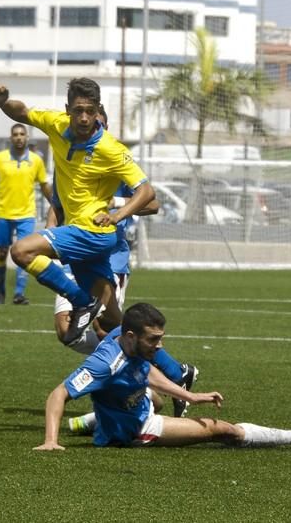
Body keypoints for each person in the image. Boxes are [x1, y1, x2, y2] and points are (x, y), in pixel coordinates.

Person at [51, 107, 197, 420]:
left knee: (110, 330)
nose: (90, 125)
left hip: (109, 258)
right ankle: (171, 371)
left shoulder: (115, 160)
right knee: (67, 332)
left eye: (99, 122)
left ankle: (149, 374)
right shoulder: (68, 156)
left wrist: (117, 206)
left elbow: (152, 202)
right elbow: (57, 205)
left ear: (104, 124)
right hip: (73, 250)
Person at [33, 302, 291, 451]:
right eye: (153, 339)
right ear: (130, 336)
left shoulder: (123, 338)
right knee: (221, 430)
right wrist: (50, 441)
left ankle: (92, 420)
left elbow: (144, 370)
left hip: (136, 402)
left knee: (158, 399)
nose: (160, 345)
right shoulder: (104, 364)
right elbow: (58, 394)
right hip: (138, 428)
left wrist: (189, 395)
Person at [0, 77, 155, 344]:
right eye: (78, 110)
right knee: (112, 324)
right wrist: (3, 103)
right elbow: (21, 112)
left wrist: (116, 214)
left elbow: (147, 192)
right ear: (68, 109)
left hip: (92, 233)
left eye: (90, 111)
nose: (84, 117)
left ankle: (81, 302)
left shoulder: (111, 149)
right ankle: (173, 370)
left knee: (21, 251)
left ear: (97, 109)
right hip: (82, 235)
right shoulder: (56, 124)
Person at [0, 123, 52, 305]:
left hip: (26, 214)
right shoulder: (0, 158)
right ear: (11, 138)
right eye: (15, 134)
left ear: (27, 137)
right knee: (2, 253)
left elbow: (43, 185)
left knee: (25, 253)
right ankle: (1, 291)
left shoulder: (36, 160)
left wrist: (55, 203)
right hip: (3, 213)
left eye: (22, 134)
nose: (18, 137)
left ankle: (19, 293)